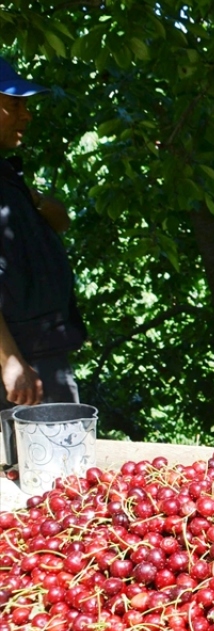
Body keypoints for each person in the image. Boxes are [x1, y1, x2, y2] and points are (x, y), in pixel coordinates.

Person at [0, 57, 85, 409]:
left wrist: (31, 197)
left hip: (41, 352)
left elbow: (61, 219)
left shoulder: (7, 174)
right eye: (14, 103)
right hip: (19, 365)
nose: (27, 114)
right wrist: (8, 359)